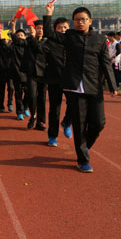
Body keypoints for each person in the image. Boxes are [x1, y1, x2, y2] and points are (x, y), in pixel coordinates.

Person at [43, 3, 117, 173]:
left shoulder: (99, 39)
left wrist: (112, 84)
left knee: (99, 123)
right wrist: (49, 14)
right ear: (73, 22)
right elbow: (48, 33)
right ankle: (83, 160)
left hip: (94, 86)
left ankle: (84, 147)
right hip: (75, 87)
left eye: (83, 19)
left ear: (90, 21)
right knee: (80, 125)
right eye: (77, 20)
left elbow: (105, 62)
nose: (80, 22)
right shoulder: (69, 36)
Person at [43, 17, 72, 147]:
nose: (63, 30)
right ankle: (52, 136)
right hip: (54, 80)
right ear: (55, 30)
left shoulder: (73, 42)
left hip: (70, 80)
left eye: (65, 27)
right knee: (55, 109)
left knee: (74, 105)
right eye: (60, 28)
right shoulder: (49, 42)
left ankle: (67, 122)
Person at [23, 21, 48, 130]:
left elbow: (40, 49)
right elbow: (17, 42)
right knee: (32, 96)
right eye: (38, 28)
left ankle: (40, 122)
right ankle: (33, 116)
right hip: (31, 73)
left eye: (42, 28)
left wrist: (34, 39)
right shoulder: (28, 40)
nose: (40, 30)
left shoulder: (47, 42)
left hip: (43, 74)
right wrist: (14, 28)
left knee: (42, 98)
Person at [10, 19, 30, 120]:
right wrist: (13, 26)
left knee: (28, 92)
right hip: (16, 72)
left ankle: (25, 107)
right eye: (18, 36)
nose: (20, 38)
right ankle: (19, 112)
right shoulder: (15, 46)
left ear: (25, 37)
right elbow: (13, 36)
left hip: (27, 73)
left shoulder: (28, 45)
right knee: (18, 93)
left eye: (22, 35)